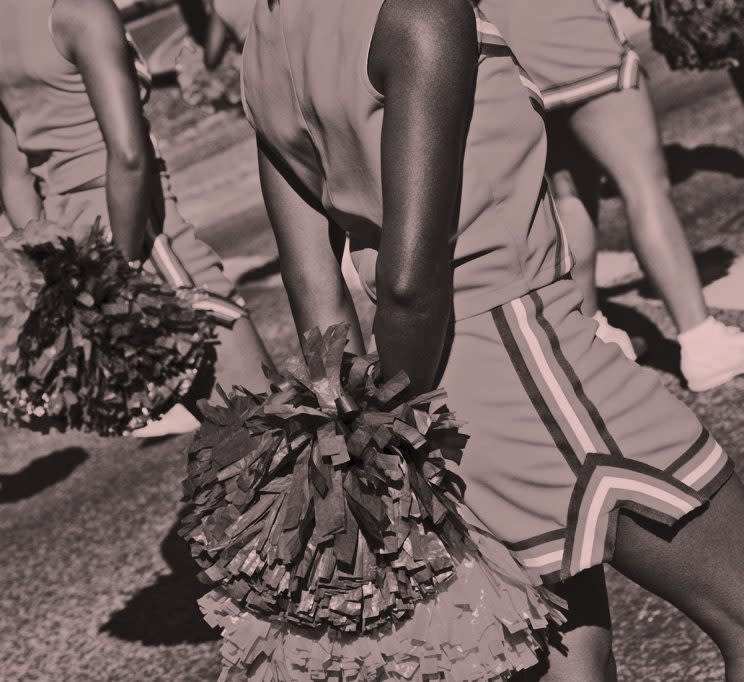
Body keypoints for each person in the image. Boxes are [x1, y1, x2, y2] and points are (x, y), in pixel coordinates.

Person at [237, 0, 744, 679]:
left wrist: (364, 437)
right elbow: (414, 282)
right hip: (530, 368)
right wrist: (398, 445)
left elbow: (314, 292)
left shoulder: (264, 45)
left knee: (573, 661)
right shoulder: (418, 9)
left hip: (438, 399)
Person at [0, 0, 272, 435]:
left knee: (234, 440)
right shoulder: (80, 12)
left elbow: (14, 178)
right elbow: (128, 156)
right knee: (270, 427)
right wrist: (115, 283)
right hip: (140, 236)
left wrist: (55, 280)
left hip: (65, 247)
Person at [478, 0, 744, 391]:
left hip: (509, 48)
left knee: (569, 192)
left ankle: (597, 340)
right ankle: (701, 339)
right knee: (645, 186)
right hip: (568, 29)